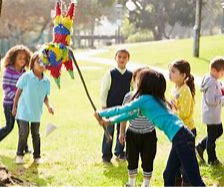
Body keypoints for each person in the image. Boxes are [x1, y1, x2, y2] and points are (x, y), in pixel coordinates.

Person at [95, 69, 205, 187]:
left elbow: (122, 109)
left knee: (194, 179)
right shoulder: (151, 100)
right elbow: (130, 114)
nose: (135, 81)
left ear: (144, 84)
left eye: (138, 80)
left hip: (181, 137)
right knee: (168, 174)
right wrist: (108, 121)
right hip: (181, 137)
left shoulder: (145, 99)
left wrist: (101, 113)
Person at [12, 52, 54, 165]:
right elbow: (18, 92)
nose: (41, 64)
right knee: (23, 132)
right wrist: (14, 106)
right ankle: (19, 154)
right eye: (38, 61)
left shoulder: (46, 81)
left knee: (36, 134)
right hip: (23, 111)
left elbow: (45, 97)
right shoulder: (26, 76)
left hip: (36, 112)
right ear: (33, 63)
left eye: (44, 62)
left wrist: (49, 106)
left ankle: (37, 156)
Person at [120, 67, 157, 187]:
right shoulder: (128, 97)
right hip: (132, 134)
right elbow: (123, 117)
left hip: (149, 134)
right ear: (134, 81)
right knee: (131, 159)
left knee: (148, 159)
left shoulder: (153, 98)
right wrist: (121, 133)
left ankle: (146, 184)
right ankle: (131, 183)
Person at [100, 49, 132, 163]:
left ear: (128, 59)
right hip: (110, 108)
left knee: (121, 130)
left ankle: (119, 152)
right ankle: (106, 155)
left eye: (124, 57)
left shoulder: (130, 75)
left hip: (124, 108)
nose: (122, 59)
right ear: (115, 58)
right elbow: (104, 92)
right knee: (109, 131)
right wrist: (104, 109)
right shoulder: (110, 73)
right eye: (119, 57)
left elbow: (132, 91)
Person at [0, 45, 32, 155]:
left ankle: (25, 148)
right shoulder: (9, 71)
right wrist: (16, 97)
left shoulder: (24, 72)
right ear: (14, 58)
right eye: (20, 58)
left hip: (21, 105)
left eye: (25, 58)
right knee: (9, 126)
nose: (23, 60)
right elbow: (5, 87)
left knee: (23, 127)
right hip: (9, 105)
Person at [196, 57, 224, 166]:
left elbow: (218, 89)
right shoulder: (211, 82)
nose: (222, 76)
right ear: (214, 71)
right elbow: (211, 100)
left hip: (215, 115)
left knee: (219, 131)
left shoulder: (214, 80)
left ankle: (200, 146)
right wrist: (222, 98)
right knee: (212, 138)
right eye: (221, 73)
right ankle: (212, 159)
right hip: (211, 115)